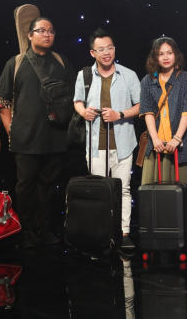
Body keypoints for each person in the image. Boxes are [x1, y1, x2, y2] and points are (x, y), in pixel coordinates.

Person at [0, 16, 76, 249]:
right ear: (30, 35)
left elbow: (75, 96)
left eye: (51, 31)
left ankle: (45, 229)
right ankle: (26, 231)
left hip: (55, 138)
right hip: (25, 139)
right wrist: (11, 130)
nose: (47, 34)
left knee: (48, 187)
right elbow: (1, 102)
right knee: (25, 187)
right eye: (41, 30)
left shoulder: (61, 61)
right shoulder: (16, 63)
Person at [73, 28, 140, 251]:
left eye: (110, 48)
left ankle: (124, 233)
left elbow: (141, 106)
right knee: (98, 190)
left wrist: (119, 114)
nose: (106, 53)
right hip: (95, 144)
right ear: (93, 53)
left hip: (123, 142)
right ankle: (100, 233)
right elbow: (77, 101)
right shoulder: (84, 75)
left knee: (123, 189)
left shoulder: (128, 75)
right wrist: (83, 112)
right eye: (101, 49)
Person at [139, 37, 187, 200]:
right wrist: (155, 139)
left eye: (169, 53)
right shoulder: (148, 80)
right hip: (157, 146)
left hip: (181, 146)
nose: (166, 57)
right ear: (155, 57)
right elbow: (147, 112)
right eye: (161, 54)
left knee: (183, 196)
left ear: (176, 55)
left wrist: (177, 138)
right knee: (154, 196)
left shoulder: (185, 78)